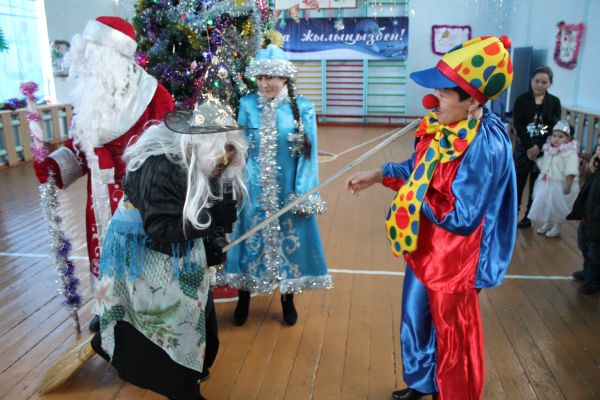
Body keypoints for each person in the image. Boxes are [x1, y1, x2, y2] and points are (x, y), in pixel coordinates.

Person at [347, 36, 516, 400]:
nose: (432, 99)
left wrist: (414, 196)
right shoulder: (440, 126)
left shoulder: (485, 145)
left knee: (454, 331)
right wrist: (379, 174)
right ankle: (423, 382)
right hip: (424, 244)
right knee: (415, 317)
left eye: (443, 93)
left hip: (458, 258)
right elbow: (417, 169)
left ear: (472, 101)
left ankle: (454, 392)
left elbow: (463, 216)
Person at [91, 94, 247, 400]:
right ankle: (181, 387)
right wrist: (210, 219)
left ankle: (190, 371)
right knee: (166, 319)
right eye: (221, 156)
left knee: (196, 312)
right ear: (203, 147)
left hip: (180, 244)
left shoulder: (208, 163)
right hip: (144, 248)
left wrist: (214, 241)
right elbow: (160, 229)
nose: (224, 164)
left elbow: (203, 211)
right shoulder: (160, 166)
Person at [32, 16, 174, 331]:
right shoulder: (89, 97)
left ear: (114, 57)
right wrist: (52, 167)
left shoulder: (154, 95)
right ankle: (108, 305)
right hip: (99, 200)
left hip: (140, 199)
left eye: (92, 55)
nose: (87, 63)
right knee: (103, 253)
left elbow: (169, 148)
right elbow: (79, 148)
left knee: (141, 257)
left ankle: (145, 309)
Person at [218, 44, 331, 327]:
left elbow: (308, 157)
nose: (265, 83)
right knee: (248, 241)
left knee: (288, 246)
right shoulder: (247, 105)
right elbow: (239, 147)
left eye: (271, 77)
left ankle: (287, 299)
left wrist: (303, 195)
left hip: (288, 191)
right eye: (260, 78)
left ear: (284, 78)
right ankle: (244, 296)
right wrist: (231, 182)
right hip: (253, 190)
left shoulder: (303, 109)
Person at [513, 66, 562, 228]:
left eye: (544, 82)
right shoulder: (521, 99)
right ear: (531, 80)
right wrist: (529, 146)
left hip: (543, 149)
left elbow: (553, 126)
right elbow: (518, 124)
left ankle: (528, 217)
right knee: (518, 182)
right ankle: (513, 214)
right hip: (524, 148)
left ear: (550, 83)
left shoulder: (554, 102)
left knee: (536, 184)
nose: (539, 85)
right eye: (537, 81)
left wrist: (539, 146)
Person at [527, 121, 579, 237]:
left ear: (568, 139)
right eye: (554, 136)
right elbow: (545, 164)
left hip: (560, 183)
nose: (556, 139)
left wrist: (568, 184)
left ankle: (557, 225)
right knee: (546, 204)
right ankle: (547, 223)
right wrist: (535, 159)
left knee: (557, 206)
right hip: (547, 182)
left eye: (560, 137)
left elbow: (571, 169)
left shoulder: (570, 152)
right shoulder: (549, 149)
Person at [568, 141, 600, 294]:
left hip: (597, 216)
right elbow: (588, 170)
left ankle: (593, 281)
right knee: (584, 243)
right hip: (590, 212)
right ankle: (587, 271)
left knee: (596, 251)